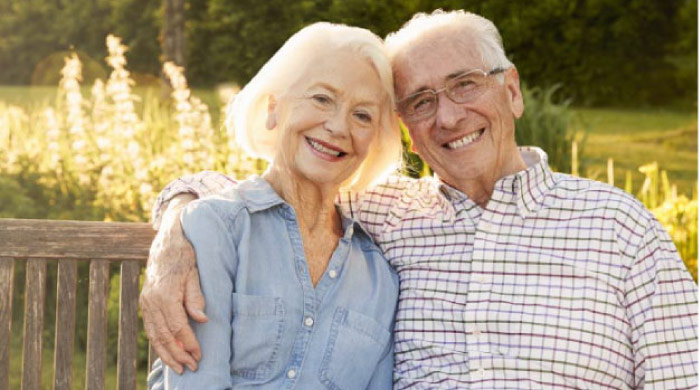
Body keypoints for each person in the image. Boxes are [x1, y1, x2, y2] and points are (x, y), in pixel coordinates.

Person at [141, 10, 698, 389]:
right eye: (422, 101)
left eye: (465, 85)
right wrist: (174, 234)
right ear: (405, 126)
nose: (449, 116)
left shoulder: (618, 226)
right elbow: (270, 191)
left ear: (511, 89)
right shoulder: (388, 213)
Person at [145, 21, 403, 389]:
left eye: (362, 115)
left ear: (374, 142)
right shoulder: (217, 228)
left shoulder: (381, 277)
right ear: (273, 108)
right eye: (321, 98)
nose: (338, 126)